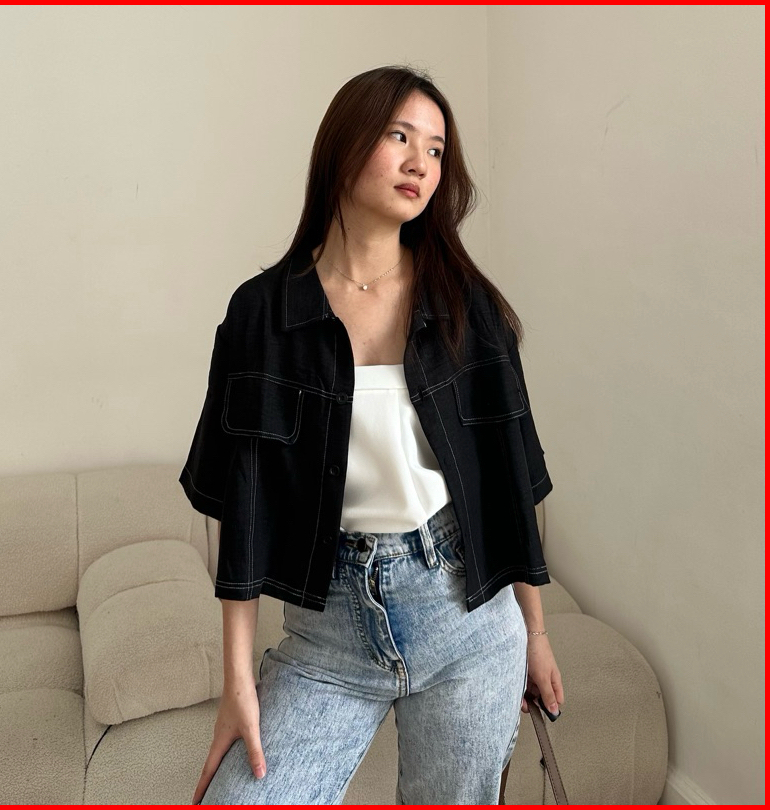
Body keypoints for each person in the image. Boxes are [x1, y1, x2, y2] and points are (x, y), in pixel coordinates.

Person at [180, 64, 564, 806]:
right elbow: (244, 510)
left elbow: (509, 484)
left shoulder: (466, 305)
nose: (421, 162)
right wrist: (237, 683)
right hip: (327, 633)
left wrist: (536, 634)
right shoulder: (264, 314)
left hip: (467, 622)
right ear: (346, 143)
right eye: (399, 136)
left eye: (436, 149)